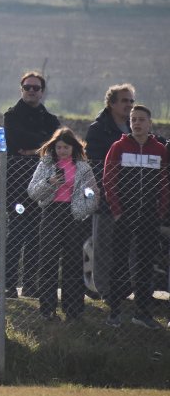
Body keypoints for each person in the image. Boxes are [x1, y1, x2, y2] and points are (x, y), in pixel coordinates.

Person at [101, 104, 169, 330]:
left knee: (144, 265)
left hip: (149, 216)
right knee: (119, 263)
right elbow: (108, 180)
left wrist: (160, 210)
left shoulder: (159, 150)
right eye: (134, 119)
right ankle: (115, 311)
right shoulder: (119, 147)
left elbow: (165, 182)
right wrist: (117, 210)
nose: (137, 123)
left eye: (141, 119)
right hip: (124, 216)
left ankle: (142, 312)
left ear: (150, 123)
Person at [27, 128, 98, 322]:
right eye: (58, 147)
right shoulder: (46, 164)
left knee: (73, 263)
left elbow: (93, 194)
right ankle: (47, 309)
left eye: (66, 147)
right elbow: (33, 192)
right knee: (48, 262)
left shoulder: (83, 168)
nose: (62, 151)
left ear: (73, 147)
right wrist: (49, 182)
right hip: (51, 213)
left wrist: (82, 210)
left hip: (74, 216)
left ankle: (73, 309)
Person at [2, 71, 61, 299]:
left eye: (36, 88)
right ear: (21, 89)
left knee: (36, 237)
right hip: (17, 187)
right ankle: (8, 285)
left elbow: (56, 144)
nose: (32, 91)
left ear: (42, 91)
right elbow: (16, 140)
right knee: (15, 235)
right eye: (28, 87)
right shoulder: (11, 116)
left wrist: (31, 151)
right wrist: (41, 148)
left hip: (43, 187)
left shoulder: (50, 119)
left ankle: (29, 284)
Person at [85, 83, 136, 299]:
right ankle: (104, 291)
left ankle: (126, 290)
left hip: (132, 198)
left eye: (132, 101)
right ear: (112, 103)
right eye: (124, 100)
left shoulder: (136, 128)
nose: (129, 105)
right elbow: (95, 166)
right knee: (103, 246)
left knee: (128, 248)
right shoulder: (98, 129)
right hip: (106, 197)